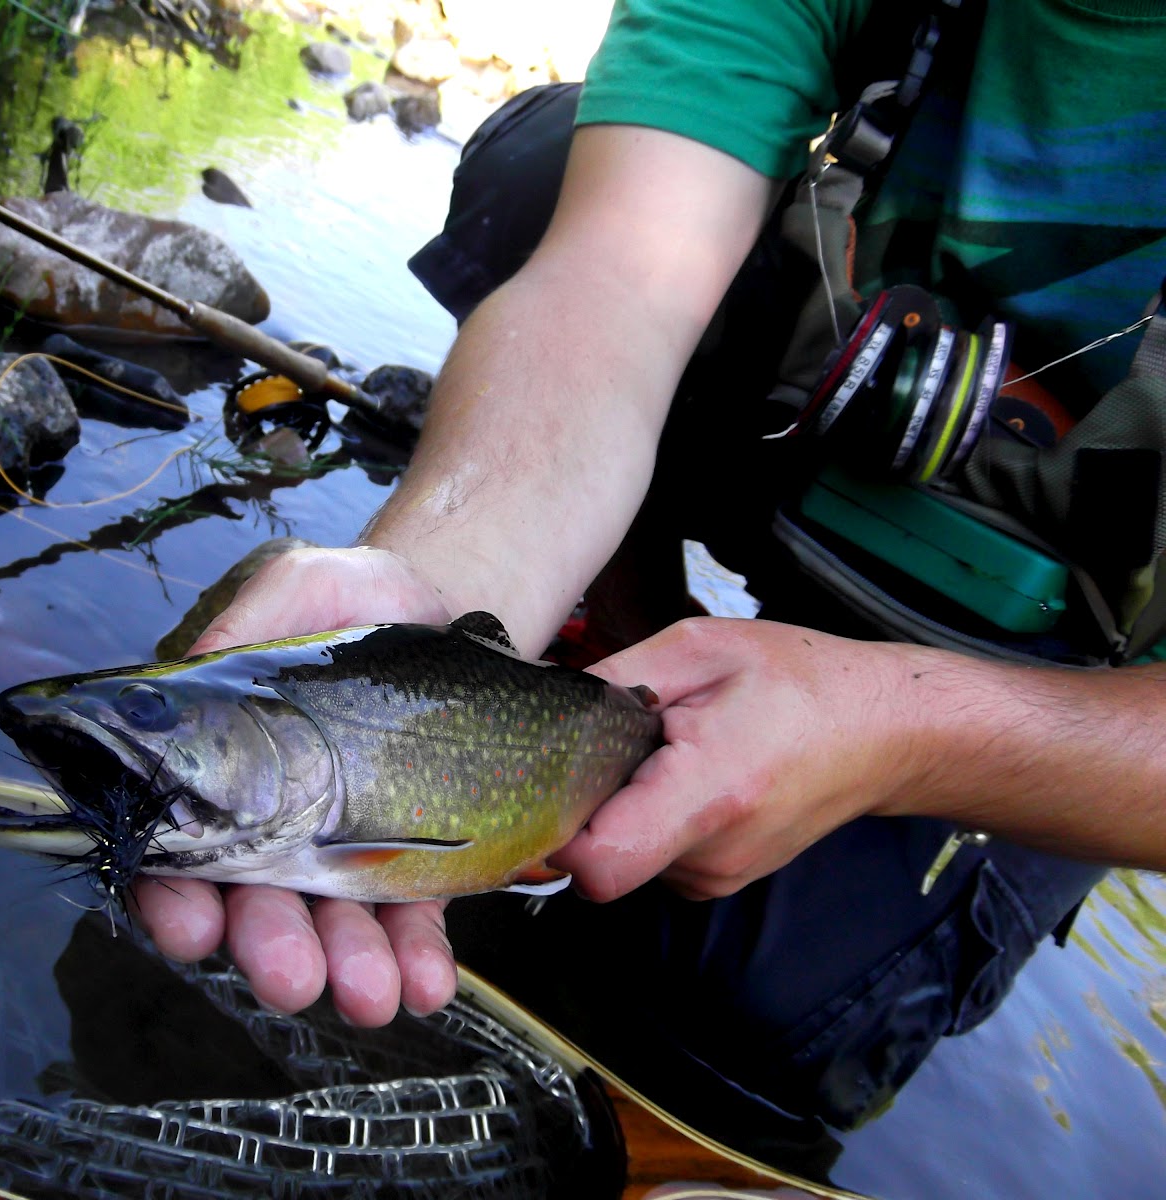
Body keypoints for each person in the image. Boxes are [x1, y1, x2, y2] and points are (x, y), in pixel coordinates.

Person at [134, 0, 1166, 1124]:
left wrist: (903, 738)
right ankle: (617, 624)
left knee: (742, 1005)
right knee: (541, 169)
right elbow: (616, 283)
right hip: (811, 432)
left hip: (1077, 656)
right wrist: (436, 577)